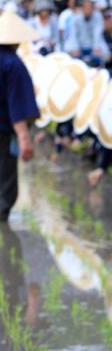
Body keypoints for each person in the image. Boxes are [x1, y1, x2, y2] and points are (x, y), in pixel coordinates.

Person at [0, 11, 38, 224]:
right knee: (5, 183)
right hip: (4, 131)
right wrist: (24, 138)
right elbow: (16, 104)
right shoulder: (12, 65)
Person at [63, 0, 108, 67]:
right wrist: (75, 48)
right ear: (82, 8)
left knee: (103, 53)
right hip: (79, 46)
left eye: (90, 7)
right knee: (68, 49)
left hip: (93, 46)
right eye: (86, 7)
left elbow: (97, 34)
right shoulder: (76, 18)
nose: (88, 9)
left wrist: (96, 48)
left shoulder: (98, 17)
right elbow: (73, 35)